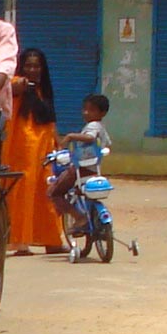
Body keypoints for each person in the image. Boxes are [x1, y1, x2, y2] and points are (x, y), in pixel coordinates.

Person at [1, 48, 66, 256]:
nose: (32, 69)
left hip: (45, 150)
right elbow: (9, 87)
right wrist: (17, 81)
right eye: (28, 65)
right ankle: (20, 241)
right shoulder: (19, 85)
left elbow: (50, 121)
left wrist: (58, 142)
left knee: (48, 191)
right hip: (23, 150)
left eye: (36, 66)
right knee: (23, 192)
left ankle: (52, 240)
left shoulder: (43, 90)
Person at [48, 94, 112, 233]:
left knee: (54, 193)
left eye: (91, 110)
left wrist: (70, 136)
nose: (86, 113)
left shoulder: (93, 126)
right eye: (85, 109)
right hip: (94, 169)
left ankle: (79, 217)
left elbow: (89, 137)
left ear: (102, 113)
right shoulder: (101, 127)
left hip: (81, 170)